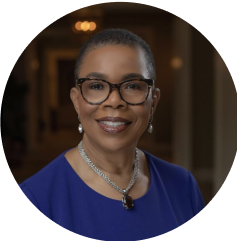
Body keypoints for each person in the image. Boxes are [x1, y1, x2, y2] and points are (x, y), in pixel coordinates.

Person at [18, 29, 224, 240]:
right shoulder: (33, 201)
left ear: (153, 102)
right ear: (77, 101)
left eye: (132, 85)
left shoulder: (183, 186)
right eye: (97, 85)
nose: (114, 101)